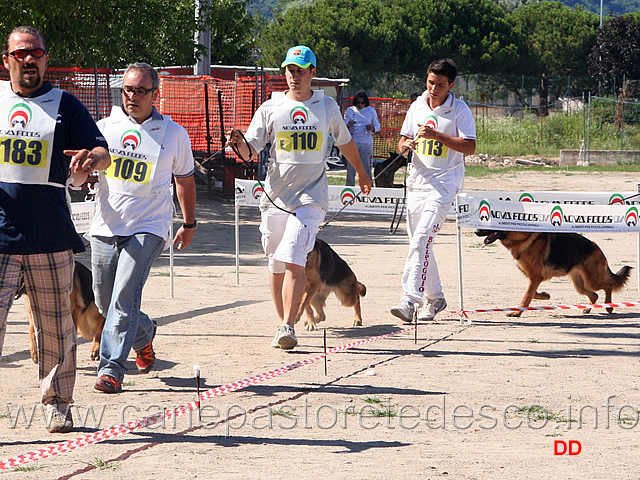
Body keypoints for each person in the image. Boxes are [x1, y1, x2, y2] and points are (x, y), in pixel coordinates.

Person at [0, 26, 110, 433]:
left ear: (46, 59)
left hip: (49, 239)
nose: (29, 59)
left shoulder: (66, 103)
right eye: (20, 53)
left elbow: (102, 152)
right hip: (0, 237)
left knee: (56, 330)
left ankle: (57, 403)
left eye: (36, 53)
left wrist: (89, 161)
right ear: (7, 59)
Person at [228, 45, 372, 350]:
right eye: (290, 70)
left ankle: (287, 326)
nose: (295, 76)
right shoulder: (270, 107)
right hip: (276, 197)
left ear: (312, 74)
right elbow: (249, 151)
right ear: (285, 72)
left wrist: (362, 172)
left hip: (311, 197)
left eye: (301, 71)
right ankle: (283, 323)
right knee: (276, 261)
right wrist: (238, 143)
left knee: (294, 257)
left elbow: (345, 143)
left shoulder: (326, 106)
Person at [89, 62, 197, 394]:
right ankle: (144, 333)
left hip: (149, 226)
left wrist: (189, 222)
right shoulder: (104, 127)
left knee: (124, 295)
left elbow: (185, 180)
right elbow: (85, 170)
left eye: (139, 90)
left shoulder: (174, 134)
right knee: (105, 302)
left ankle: (111, 369)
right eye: (127, 90)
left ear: (155, 94)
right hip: (106, 224)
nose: (132, 96)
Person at [390, 59, 476, 323]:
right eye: (430, 83)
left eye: (440, 84)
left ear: (451, 85)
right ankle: (435, 297)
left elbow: (470, 146)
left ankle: (409, 300)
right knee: (419, 241)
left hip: (444, 184)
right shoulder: (416, 106)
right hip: (417, 182)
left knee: (423, 238)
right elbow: (402, 140)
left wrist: (437, 135)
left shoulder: (459, 109)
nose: (433, 89)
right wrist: (406, 146)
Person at [344, 91, 379, 185]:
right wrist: (348, 125)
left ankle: (368, 187)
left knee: (367, 167)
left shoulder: (371, 111)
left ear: (366, 103)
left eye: (362, 103)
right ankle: (349, 188)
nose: (360, 105)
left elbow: (377, 125)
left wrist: (372, 128)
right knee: (351, 168)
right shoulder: (350, 110)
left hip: (366, 142)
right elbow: (343, 125)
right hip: (352, 142)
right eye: (358, 102)